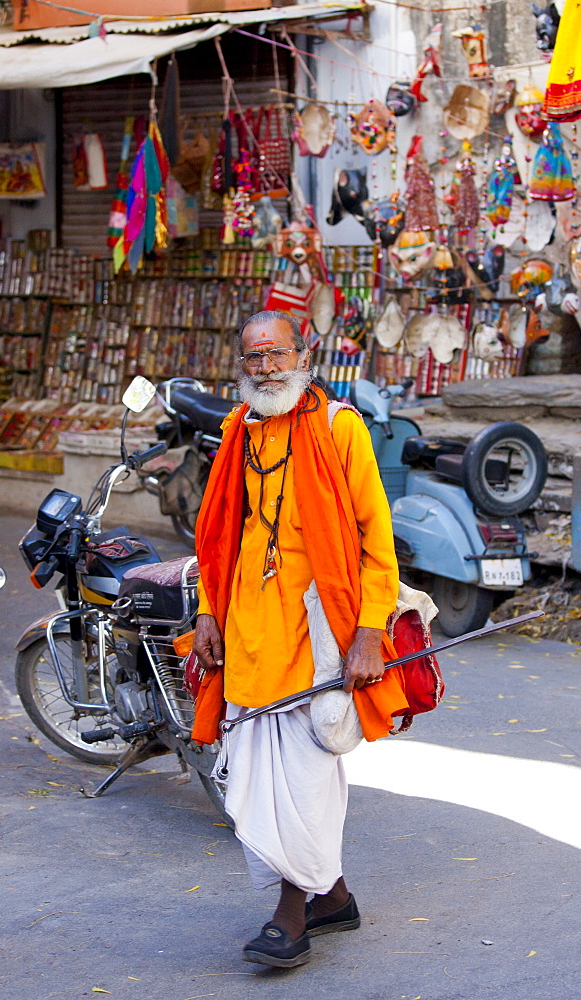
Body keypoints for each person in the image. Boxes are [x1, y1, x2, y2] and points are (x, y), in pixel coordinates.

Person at [191, 310, 406, 969]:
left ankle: (291, 915)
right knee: (257, 762)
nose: (265, 369)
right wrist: (206, 614)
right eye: (253, 358)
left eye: (275, 355)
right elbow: (219, 533)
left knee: (304, 768)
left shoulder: (341, 428)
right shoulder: (237, 431)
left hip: (319, 626)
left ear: (302, 353)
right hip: (248, 625)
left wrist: (370, 634)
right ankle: (332, 897)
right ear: (240, 365)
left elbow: (377, 541)